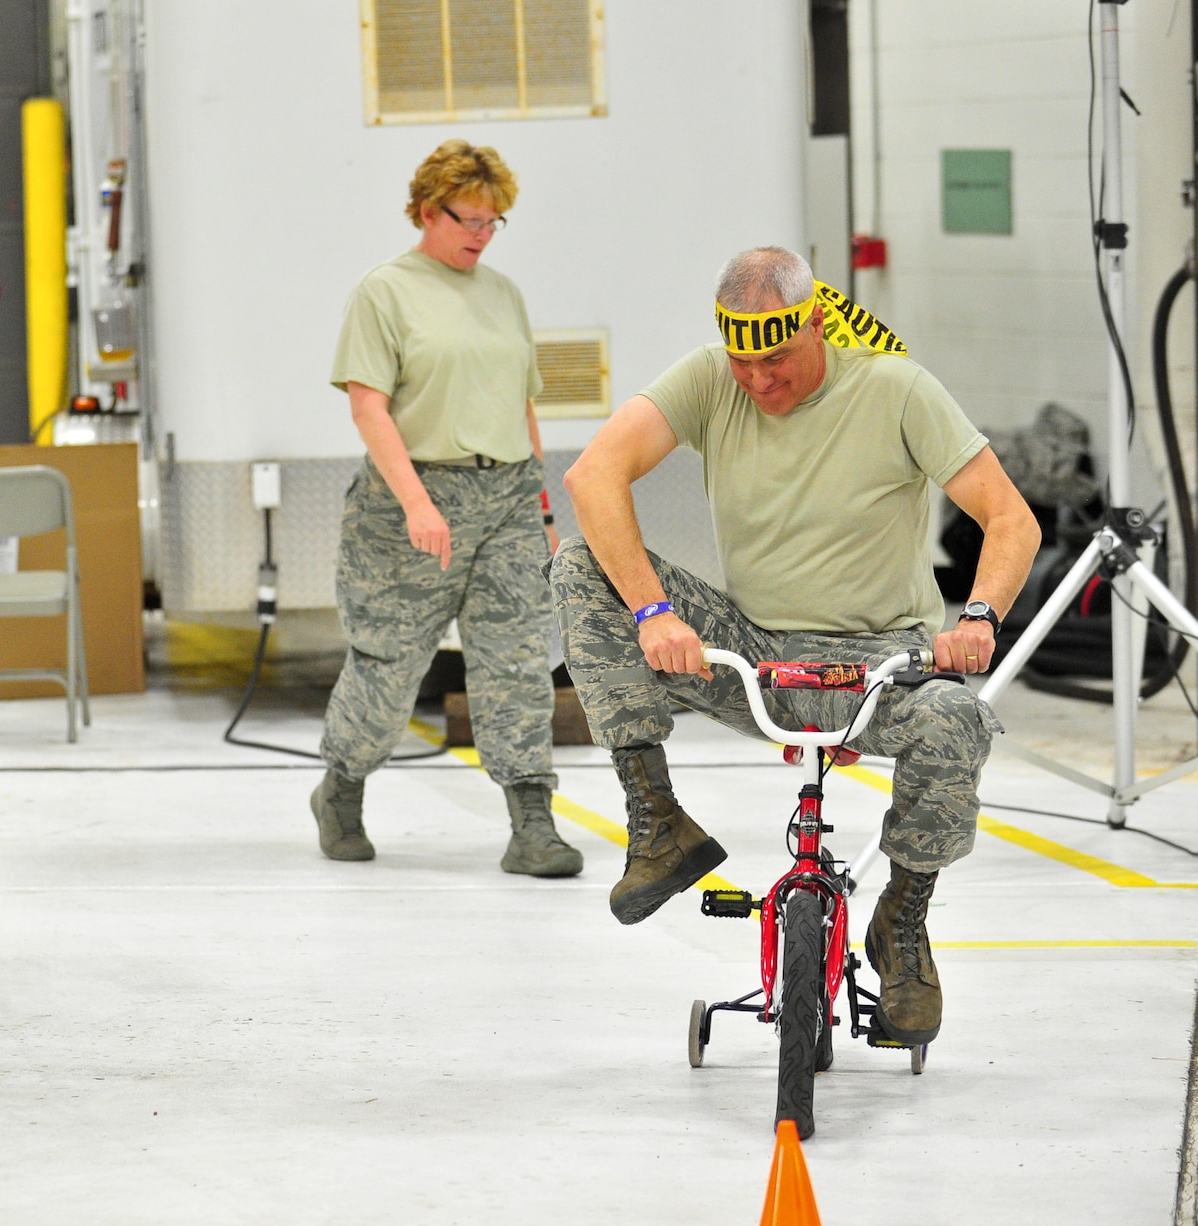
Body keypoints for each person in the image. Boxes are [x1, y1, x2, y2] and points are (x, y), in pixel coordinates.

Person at [551, 245, 1041, 1049]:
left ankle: (903, 921)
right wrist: (653, 614)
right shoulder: (712, 378)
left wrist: (979, 617)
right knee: (579, 564)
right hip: (757, 656)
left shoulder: (895, 389)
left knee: (956, 720)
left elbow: (1010, 516)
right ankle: (657, 821)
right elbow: (593, 475)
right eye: (743, 361)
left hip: (879, 666)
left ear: (817, 322)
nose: (758, 382)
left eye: (776, 358)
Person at [314, 139, 582, 879]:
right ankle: (341, 789)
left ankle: (532, 822)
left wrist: (544, 509)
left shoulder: (503, 294)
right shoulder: (385, 291)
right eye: (469, 219)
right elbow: (369, 408)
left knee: (519, 661)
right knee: (390, 663)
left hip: (504, 499)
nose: (481, 235)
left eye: (495, 222)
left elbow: (521, 403)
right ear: (428, 211)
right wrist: (416, 504)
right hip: (414, 496)